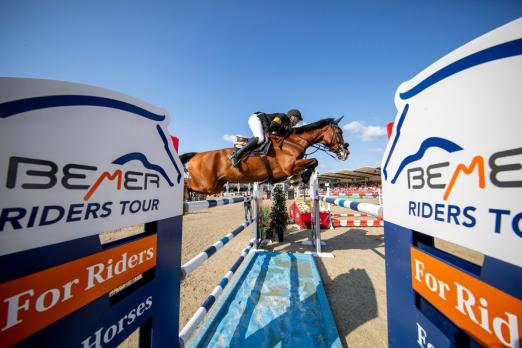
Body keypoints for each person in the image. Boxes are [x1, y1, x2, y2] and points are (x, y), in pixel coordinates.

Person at [229, 109, 303, 167]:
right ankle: (235, 155)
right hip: (256, 119)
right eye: (298, 119)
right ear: (292, 116)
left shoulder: (287, 124)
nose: (298, 121)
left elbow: (277, 131)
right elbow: (273, 125)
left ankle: (243, 141)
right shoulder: (283, 116)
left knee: (266, 140)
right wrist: (286, 129)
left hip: (263, 124)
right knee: (260, 138)